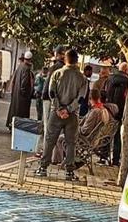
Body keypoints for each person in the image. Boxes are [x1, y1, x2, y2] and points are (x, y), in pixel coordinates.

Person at [35, 49, 89, 181]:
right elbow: (81, 98)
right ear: (77, 61)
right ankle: (69, 172)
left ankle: (43, 168)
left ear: (65, 59)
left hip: (56, 113)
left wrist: (59, 108)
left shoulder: (57, 74)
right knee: (71, 143)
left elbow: (51, 92)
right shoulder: (82, 78)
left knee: (50, 140)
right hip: (72, 116)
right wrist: (69, 109)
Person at [103, 62, 128, 166]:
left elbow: (104, 92)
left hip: (108, 110)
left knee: (106, 134)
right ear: (126, 70)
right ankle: (115, 160)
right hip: (120, 111)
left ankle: (103, 156)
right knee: (118, 137)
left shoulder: (109, 79)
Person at [6, 51, 35, 127]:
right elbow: (24, 83)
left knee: (14, 111)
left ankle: (11, 124)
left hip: (16, 93)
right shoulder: (26, 69)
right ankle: (17, 125)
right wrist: (26, 94)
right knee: (20, 113)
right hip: (22, 96)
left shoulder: (20, 66)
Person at [41, 46, 67, 127]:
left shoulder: (54, 67)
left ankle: (47, 139)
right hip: (60, 100)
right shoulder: (66, 69)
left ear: (57, 54)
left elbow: (48, 84)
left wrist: (44, 95)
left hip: (49, 98)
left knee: (47, 123)